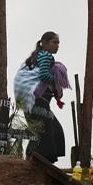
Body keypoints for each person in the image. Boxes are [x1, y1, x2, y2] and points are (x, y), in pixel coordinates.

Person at [20, 31, 66, 163]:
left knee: (55, 131)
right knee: (42, 134)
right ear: (45, 42)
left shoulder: (42, 58)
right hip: (35, 102)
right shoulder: (43, 57)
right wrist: (56, 80)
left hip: (40, 103)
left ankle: (38, 165)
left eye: (58, 43)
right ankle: (31, 164)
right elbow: (43, 76)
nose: (57, 45)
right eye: (54, 42)